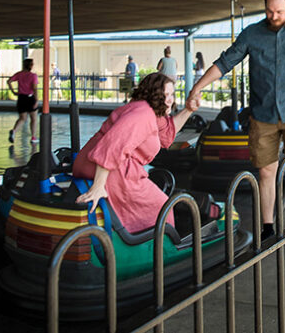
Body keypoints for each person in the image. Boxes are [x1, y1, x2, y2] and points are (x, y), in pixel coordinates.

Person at [186, 0, 285, 257]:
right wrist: (198, 86)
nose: (274, 16)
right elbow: (225, 62)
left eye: (279, 11)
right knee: (265, 172)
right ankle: (267, 228)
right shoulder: (252, 33)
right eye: (269, 10)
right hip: (263, 114)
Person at [73, 72, 200, 233]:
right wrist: (98, 187)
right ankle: (158, 249)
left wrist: (189, 109)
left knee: (158, 201)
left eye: (172, 94)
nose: (170, 99)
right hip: (109, 168)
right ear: (154, 94)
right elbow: (112, 146)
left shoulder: (151, 111)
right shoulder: (142, 115)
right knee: (161, 204)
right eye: (165, 94)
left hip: (110, 165)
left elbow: (166, 136)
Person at [8, 58, 39, 143]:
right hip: (30, 98)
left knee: (22, 118)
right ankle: (33, 137)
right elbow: (34, 88)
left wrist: (14, 92)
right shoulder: (33, 76)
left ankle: (14, 131)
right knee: (33, 118)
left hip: (21, 98)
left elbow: (9, 81)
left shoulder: (19, 74)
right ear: (30, 65)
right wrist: (36, 100)